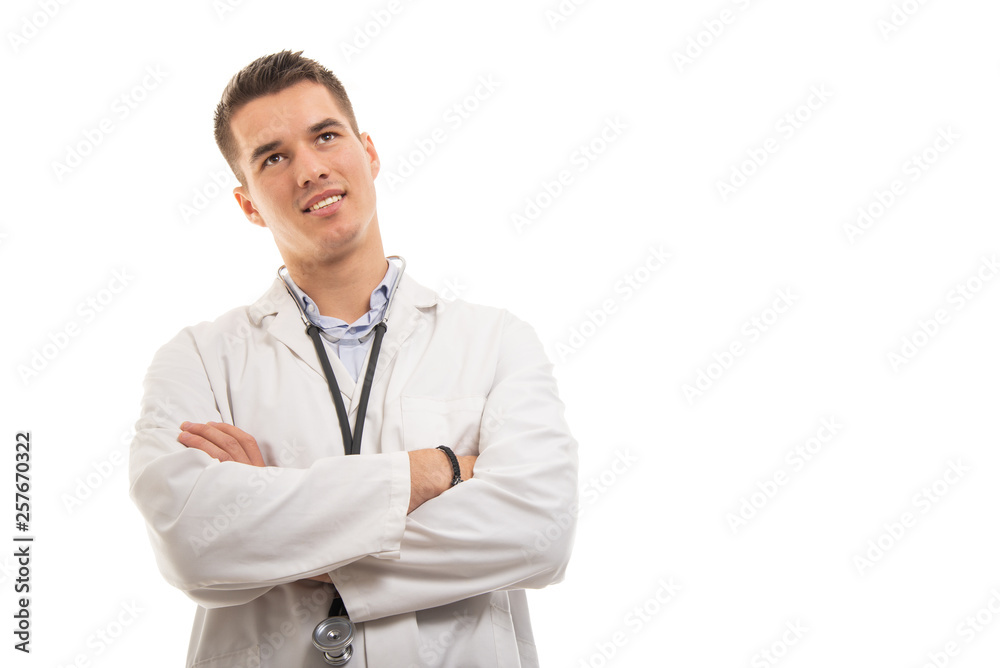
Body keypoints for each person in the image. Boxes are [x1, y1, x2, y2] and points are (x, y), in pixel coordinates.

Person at [128, 50, 578, 667]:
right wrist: (438, 471)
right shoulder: (198, 360)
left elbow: (540, 531)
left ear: (368, 152)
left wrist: (279, 523)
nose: (310, 169)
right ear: (248, 203)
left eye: (326, 136)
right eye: (273, 157)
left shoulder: (496, 340)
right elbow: (193, 544)